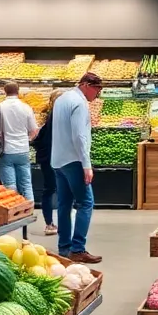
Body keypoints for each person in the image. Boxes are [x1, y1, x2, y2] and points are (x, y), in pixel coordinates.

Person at [50, 72, 102, 263]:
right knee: (86, 203)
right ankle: (78, 248)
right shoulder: (80, 104)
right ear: (88, 85)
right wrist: (86, 164)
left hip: (58, 160)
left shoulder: (62, 99)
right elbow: (79, 136)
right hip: (74, 161)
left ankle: (64, 247)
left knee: (64, 204)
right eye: (98, 90)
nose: (97, 95)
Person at [0, 83, 39, 203]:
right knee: (26, 183)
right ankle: (28, 210)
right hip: (23, 150)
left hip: (5, 150)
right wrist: (27, 140)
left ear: (4, 91)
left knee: (9, 185)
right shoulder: (26, 107)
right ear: (18, 91)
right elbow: (34, 130)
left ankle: (14, 211)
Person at [32, 90, 60, 236]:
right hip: (57, 158)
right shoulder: (60, 116)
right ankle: (55, 223)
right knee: (60, 190)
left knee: (49, 189)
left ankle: (50, 223)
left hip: (47, 158)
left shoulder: (49, 116)